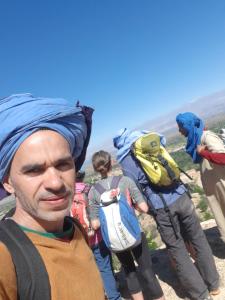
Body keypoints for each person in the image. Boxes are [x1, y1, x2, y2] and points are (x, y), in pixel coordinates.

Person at [0, 93, 105, 300]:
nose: (56, 182)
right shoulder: (5, 257)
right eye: (34, 170)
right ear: (8, 183)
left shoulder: (74, 228)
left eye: (63, 164)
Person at [113, 128, 220, 300]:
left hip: (162, 206)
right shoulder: (150, 138)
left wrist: (149, 208)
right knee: (198, 238)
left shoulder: (126, 159)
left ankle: (200, 294)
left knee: (177, 249)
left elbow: (136, 189)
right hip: (181, 194)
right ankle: (214, 284)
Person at [88, 150, 165, 300]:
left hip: (115, 238)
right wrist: (131, 208)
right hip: (134, 233)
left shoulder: (93, 192)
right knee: (147, 270)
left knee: (129, 272)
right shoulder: (125, 181)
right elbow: (144, 208)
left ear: (95, 168)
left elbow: (95, 224)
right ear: (111, 163)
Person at [71, 170, 121, 300]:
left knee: (89, 270)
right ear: (81, 177)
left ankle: (101, 293)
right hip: (98, 236)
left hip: (79, 240)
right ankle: (114, 295)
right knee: (105, 267)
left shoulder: (66, 197)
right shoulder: (90, 190)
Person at [176, 112, 225, 243]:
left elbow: (223, 157)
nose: (179, 131)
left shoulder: (206, 137)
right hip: (216, 189)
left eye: (181, 126)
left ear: (189, 125)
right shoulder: (198, 139)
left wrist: (203, 152)